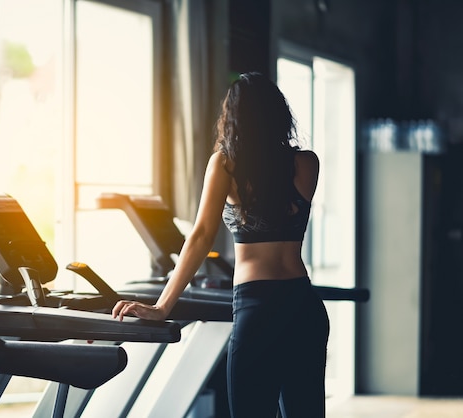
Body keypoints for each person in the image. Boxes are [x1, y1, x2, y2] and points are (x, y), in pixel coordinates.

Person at [112, 72, 329, 417]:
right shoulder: (307, 163)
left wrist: (162, 307)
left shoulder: (226, 165)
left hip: (259, 310)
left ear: (234, 119)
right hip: (304, 306)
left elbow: (200, 236)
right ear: (279, 114)